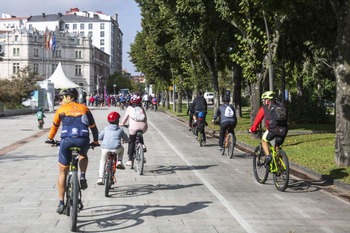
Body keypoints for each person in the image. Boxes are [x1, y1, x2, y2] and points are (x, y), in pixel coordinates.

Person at [45, 88, 99, 214]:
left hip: (67, 141)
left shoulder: (61, 110)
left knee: (63, 171)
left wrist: (50, 139)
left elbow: (54, 127)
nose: (60, 100)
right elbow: (94, 128)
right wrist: (95, 142)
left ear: (68, 97)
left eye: (62, 97)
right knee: (83, 155)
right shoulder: (85, 108)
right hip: (83, 140)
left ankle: (61, 203)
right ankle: (82, 176)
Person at [249, 91, 288, 166]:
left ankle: (268, 157)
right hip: (283, 130)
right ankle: (279, 166)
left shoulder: (264, 108)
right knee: (277, 146)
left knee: (264, 140)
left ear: (267, 100)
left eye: (264, 100)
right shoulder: (281, 106)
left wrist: (252, 129)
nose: (263, 102)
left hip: (272, 129)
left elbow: (257, 121)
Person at [97, 111, 129, 185]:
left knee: (102, 161)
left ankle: (100, 178)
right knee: (122, 148)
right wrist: (126, 140)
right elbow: (126, 139)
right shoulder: (120, 130)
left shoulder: (106, 128)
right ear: (118, 121)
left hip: (105, 148)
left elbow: (99, 137)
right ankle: (120, 161)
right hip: (116, 148)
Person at [120, 94, 148, 166]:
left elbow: (125, 118)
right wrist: (145, 124)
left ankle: (130, 160)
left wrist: (122, 124)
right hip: (143, 127)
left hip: (133, 128)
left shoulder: (129, 108)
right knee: (140, 134)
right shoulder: (142, 108)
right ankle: (143, 145)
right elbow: (145, 118)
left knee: (131, 142)